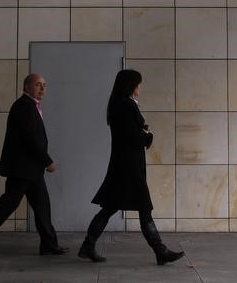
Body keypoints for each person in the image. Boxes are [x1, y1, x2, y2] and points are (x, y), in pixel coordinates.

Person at [78, 69, 184, 266]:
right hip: (129, 169)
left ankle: (88, 246)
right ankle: (160, 251)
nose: (139, 87)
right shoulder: (126, 106)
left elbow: (129, 134)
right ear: (131, 85)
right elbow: (132, 138)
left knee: (110, 208)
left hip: (123, 167)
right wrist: (148, 136)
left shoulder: (120, 105)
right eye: (138, 83)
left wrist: (141, 131)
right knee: (143, 208)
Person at [0, 73, 67, 257]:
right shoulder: (24, 107)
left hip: (31, 169)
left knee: (42, 206)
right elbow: (30, 139)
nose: (42, 88)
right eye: (38, 85)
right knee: (7, 205)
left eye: (44, 85)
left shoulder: (30, 106)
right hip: (22, 169)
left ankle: (49, 244)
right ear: (26, 87)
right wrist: (47, 160)